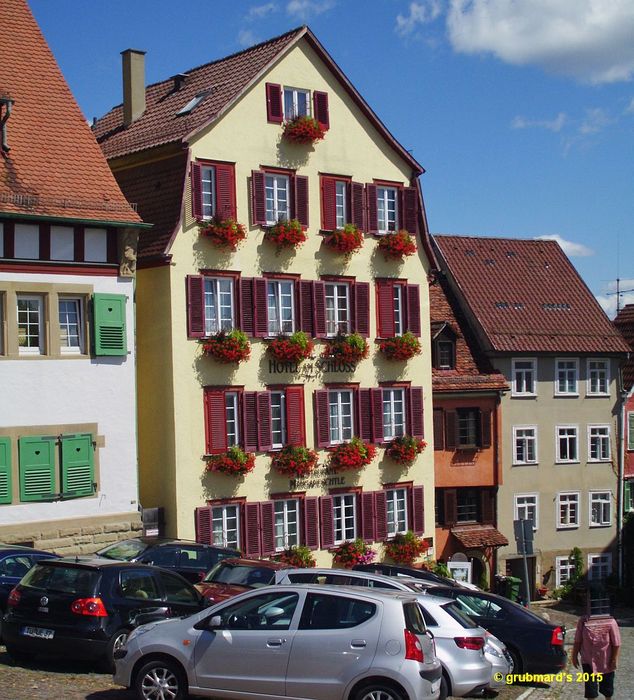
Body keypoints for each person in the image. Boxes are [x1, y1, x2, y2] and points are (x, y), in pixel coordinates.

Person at [571, 609, 621, 699]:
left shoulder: (611, 621)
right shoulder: (583, 621)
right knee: (590, 691)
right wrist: (574, 656)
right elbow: (578, 640)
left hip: (606, 661)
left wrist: (614, 659)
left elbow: (616, 643)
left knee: (608, 690)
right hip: (588, 661)